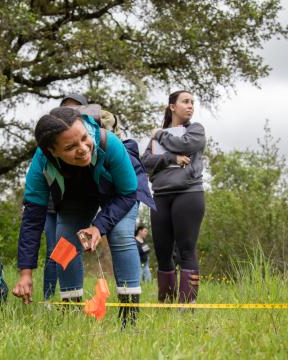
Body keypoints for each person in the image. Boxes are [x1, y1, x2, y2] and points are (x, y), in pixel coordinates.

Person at [12, 106, 142, 327]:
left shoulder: (109, 143)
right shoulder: (40, 164)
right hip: (76, 194)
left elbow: (128, 193)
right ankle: (71, 315)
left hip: (119, 192)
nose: (83, 149)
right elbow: (33, 220)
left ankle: (130, 317)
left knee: (120, 234)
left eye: (84, 138)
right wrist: (26, 274)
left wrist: (98, 227)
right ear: (52, 152)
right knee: (64, 243)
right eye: (71, 146)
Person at [141, 90, 206, 304]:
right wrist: (172, 158)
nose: (190, 106)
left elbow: (185, 145)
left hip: (188, 194)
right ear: (172, 106)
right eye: (185, 102)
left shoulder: (195, 130)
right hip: (160, 196)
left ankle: (187, 305)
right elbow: (146, 162)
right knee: (162, 252)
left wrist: (159, 136)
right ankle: (166, 304)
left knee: (186, 250)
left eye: (192, 102)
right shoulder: (158, 136)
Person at [42, 93, 90, 300]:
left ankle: (72, 295)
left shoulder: (89, 141)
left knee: (70, 249)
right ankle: (48, 298)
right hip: (49, 204)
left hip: (72, 206)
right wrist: (31, 203)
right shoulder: (49, 142)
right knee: (53, 252)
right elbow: (38, 176)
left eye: (77, 110)